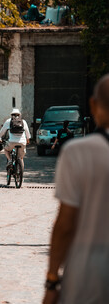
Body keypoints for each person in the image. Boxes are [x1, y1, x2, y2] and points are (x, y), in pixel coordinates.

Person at [43, 74, 109, 304]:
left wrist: (52, 279)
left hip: (88, 274)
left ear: (93, 104)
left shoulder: (79, 152)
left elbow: (66, 223)